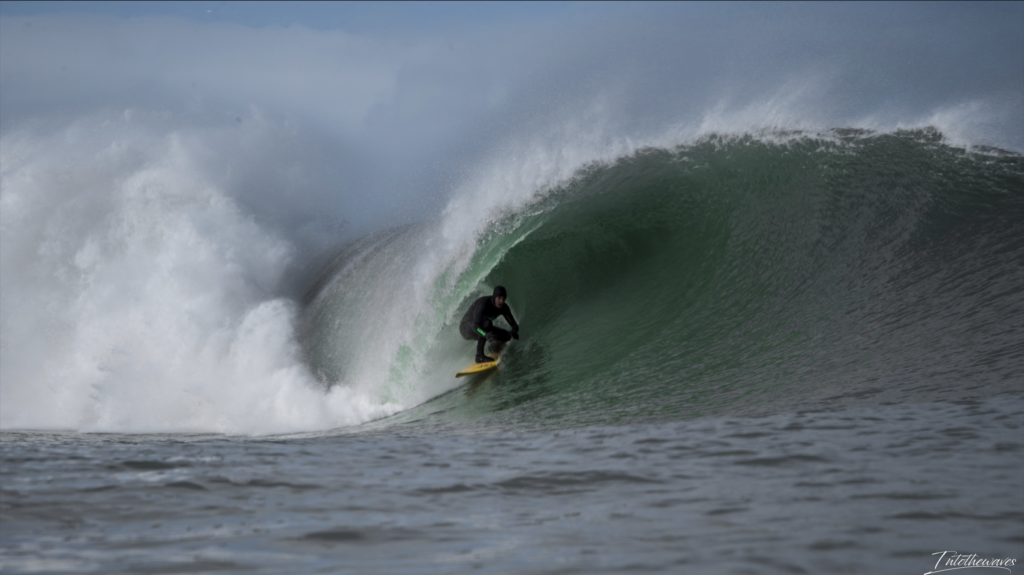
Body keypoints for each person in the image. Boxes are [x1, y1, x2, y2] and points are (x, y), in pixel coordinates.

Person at [459, 285, 520, 363]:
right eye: (499, 298)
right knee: (486, 324)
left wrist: (514, 331)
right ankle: (479, 356)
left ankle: (495, 347)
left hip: (480, 327)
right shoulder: (483, 304)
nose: (501, 301)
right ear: (495, 297)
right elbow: (475, 326)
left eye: (504, 298)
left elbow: (514, 324)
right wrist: (485, 334)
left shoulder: (504, 308)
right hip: (466, 328)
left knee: (506, 335)